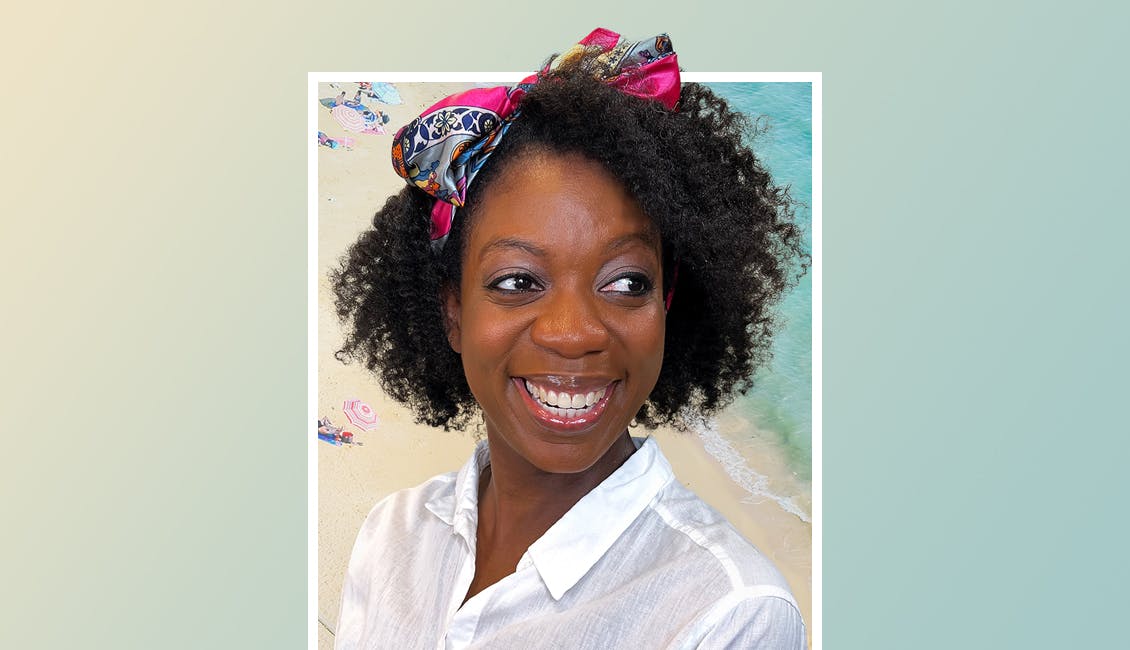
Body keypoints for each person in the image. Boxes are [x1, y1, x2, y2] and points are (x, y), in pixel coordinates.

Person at [329, 28, 808, 649]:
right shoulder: (391, 533)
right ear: (452, 313)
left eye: (627, 281)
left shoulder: (729, 614)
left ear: (667, 305)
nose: (574, 332)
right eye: (519, 280)